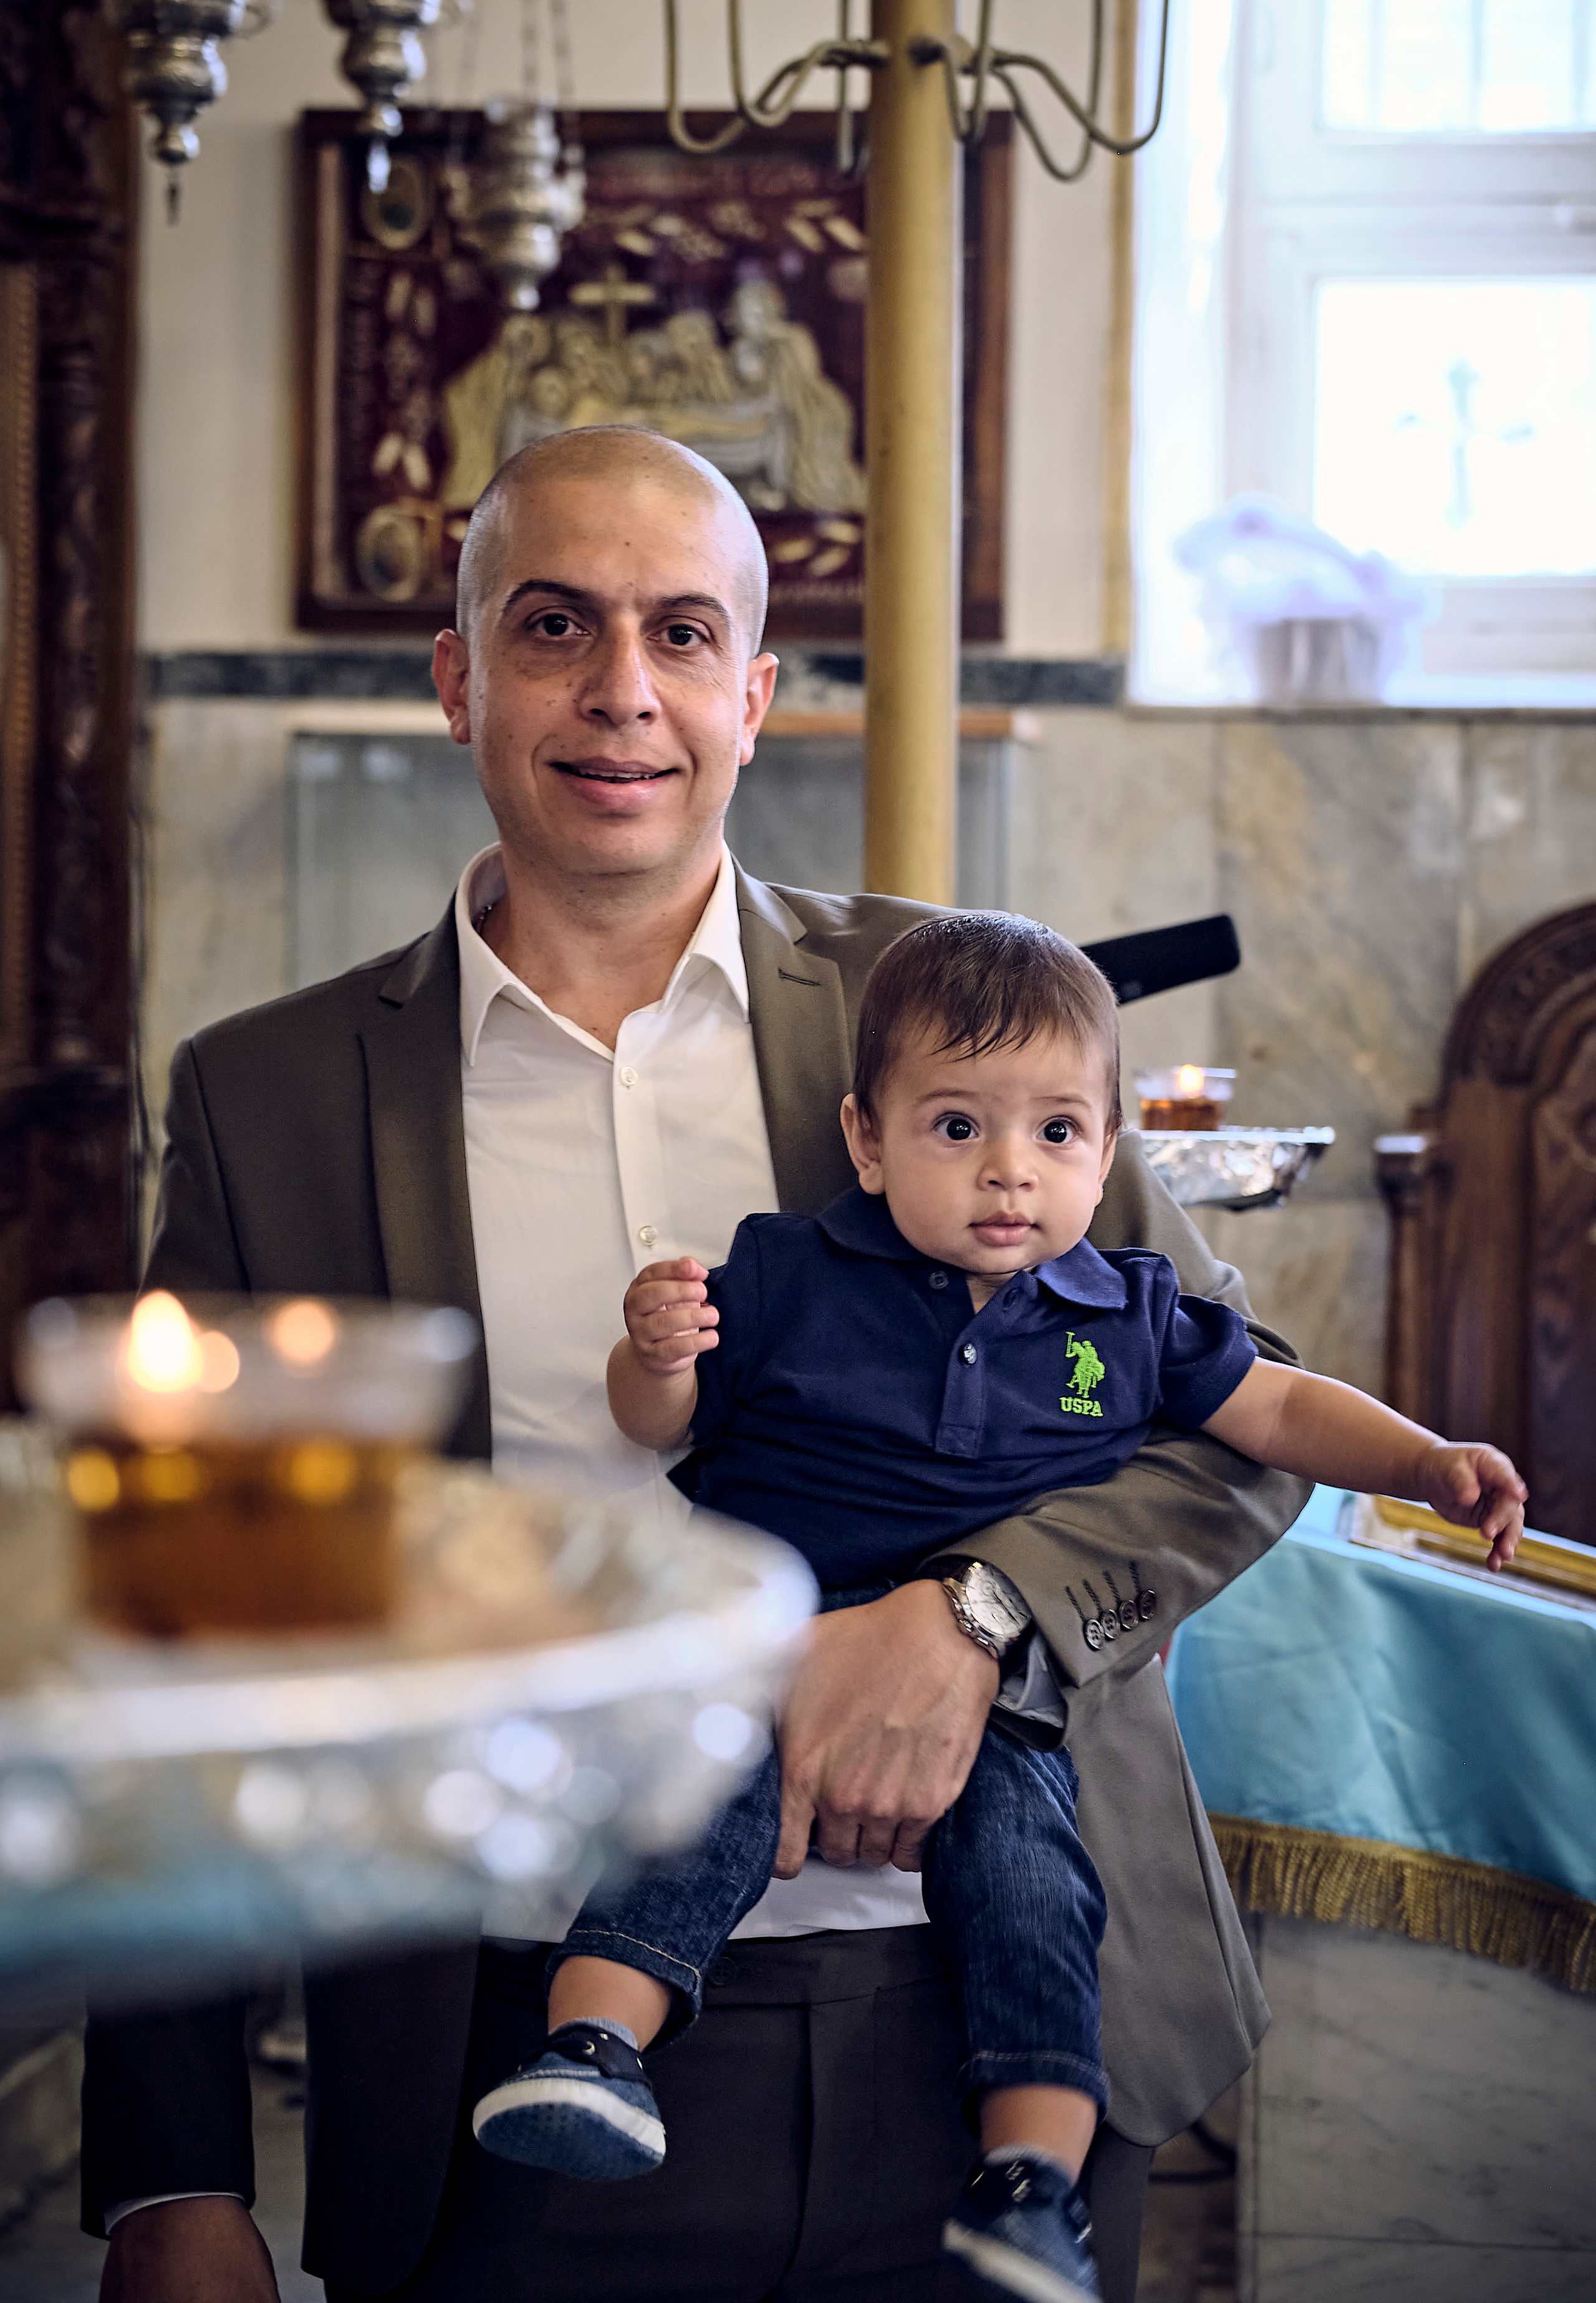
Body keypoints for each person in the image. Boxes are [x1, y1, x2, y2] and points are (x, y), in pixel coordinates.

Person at [85, 426, 1365, 2303]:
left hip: (988, 2018)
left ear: (752, 697)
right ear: (456, 677)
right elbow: (181, 1606)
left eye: (682, 634)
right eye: (553, 627)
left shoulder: (951, 1010)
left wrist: (974, 1616)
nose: (624, 691)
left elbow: (1236, 1412)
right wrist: (171, 2172)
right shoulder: (265, 1098)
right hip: (510, 2049)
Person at [468, 915, 1525, 2303]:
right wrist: (654, 1353)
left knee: (1031, 1887)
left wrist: (1425, 1462)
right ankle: (590, 2052)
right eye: (957, 1127)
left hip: (1003, 1686)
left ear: (1107, 1149)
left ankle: (1030, 2178)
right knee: (688, 1816)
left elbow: (1273, 1409)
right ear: (867, 1142)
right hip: (771, 1633)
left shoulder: (1126, 1311)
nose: (1008, 1171)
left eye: (1057, 1133)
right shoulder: (788, 1272)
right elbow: (654, 1424)